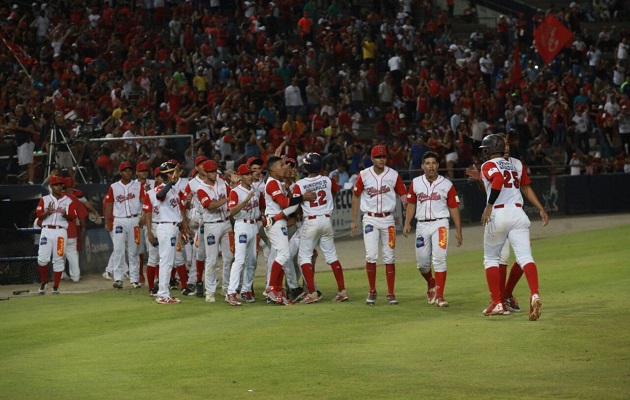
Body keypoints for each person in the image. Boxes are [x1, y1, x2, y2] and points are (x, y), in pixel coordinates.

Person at [478, 134, 546, 320]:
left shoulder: (488, 165)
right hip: (518, 213)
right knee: (525, 256)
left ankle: (497, 303)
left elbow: (498, 181)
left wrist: (489, 205)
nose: (483, 151)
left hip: (499, 214)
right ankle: (534, 294)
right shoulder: (512, 165)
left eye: (485, 148)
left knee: (491, 258)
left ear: (490, 149)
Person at [403, 151, 462, 307]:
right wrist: (407, 222)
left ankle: (440, 295)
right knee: (422, 264)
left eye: (433, 163)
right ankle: (431, 282)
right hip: (422, 225)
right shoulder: (415, 183)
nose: (431, 166)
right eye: (427, 163)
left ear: (438, 165)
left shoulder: (446, 184)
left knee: (439, 259)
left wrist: (459, 230)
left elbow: (454, 207)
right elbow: (411, 204)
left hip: (440, 223)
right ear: (422, 166)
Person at [351, 145, 407, 305]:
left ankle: (390, 293)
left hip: (388, 219)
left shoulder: (393, 175)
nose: (381, 160)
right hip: (370, 219)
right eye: (378, 157)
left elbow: (403, 194)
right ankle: (372, 291)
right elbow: (355, 196)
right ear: (372, 158)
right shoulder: (364, 175)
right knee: (371, 255)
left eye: (383, 157)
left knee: (389, 256)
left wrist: (406, 210)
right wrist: (354, 220)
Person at [293, 153, 348, 303]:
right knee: (332, 257)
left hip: (311, 221)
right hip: (326, 220)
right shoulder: (328, 180)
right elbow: (337, 189)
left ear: (306, 167)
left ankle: (312, 293)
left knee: (304, 257)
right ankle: (342, 291)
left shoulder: (300, 184)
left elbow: (293, 202)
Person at [262, 155, 316, 304]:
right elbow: (284, 202)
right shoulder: (272, 183)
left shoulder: (278, 183)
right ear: (273, 169)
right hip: (274, 222)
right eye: (281, 165)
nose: (284, 167)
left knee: (283, 256)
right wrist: (303, 197)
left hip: (279, 222)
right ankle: (272, 288)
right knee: (283, 255)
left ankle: (277, 290)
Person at [151, 161, 189, 304]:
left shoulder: (173, 189)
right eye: (174, 171)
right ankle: (163, 294)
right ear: (168, 174)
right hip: (165, 227)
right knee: (165, 262)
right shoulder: (161, 187)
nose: (177, 173)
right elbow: (160, 195)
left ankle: (164, 292)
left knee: (168, 262)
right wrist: (170, 183)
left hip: (173, 227)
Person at [225, 163, 261, 306]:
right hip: (242, 225)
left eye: (250, 173)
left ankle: (246, 291)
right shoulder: (236, 191)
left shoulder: (255, 190)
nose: (249, 176)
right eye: (246, 174)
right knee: (239, 260)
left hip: (254, 225)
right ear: (240, 176)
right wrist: (245, 201)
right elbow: (232, 212)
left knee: (252, 261)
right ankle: (231, 292)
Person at [197, 159, 233, 303]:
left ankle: (227, 288)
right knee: (211, 259)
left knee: (229, 257)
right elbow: (210, 205)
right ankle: (210, 291)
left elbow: (232, 194)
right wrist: (227, 199)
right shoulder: (201, 188)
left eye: (215, 170)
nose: (214, 173)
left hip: (226, 223)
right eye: (211, 171)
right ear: (205, 172)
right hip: (211, 225)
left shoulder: (222, 182)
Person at [35, 175, 77, 295]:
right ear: (51, 186)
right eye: (56, 185)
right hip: (46, 230)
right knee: (42, 259)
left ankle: (56, 286)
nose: (59, 187)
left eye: (60, 185)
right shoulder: (45, 199)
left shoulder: (68, 201)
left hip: (60, 232)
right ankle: (44, 282)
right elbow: (39, 216)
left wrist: (65, 215)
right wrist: (48, 211)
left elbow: (72, 218)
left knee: (58, 259)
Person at [104, 161, 144, 289]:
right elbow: (109, 204)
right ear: (121, 172)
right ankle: (118, 278)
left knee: (134, 250)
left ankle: (134, 279)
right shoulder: (114, 186)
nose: (128, 172)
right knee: (118, 249)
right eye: (125, 170)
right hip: (119, 220)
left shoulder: (138, 185)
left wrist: (143, 216)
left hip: (134, 220)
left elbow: (144, 201)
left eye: (129, 170)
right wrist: (106, 222)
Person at [13, 105, 36, 185]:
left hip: (26, 142)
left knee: (29, 162)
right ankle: (28, 180)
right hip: (22, 143)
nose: (15, 112)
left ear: (21, 111)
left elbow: (31, 129)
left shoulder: (26, 118)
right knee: (26, 163)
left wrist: (19, 128)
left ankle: (31, 181)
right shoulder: (21, 119)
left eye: (17, 111)